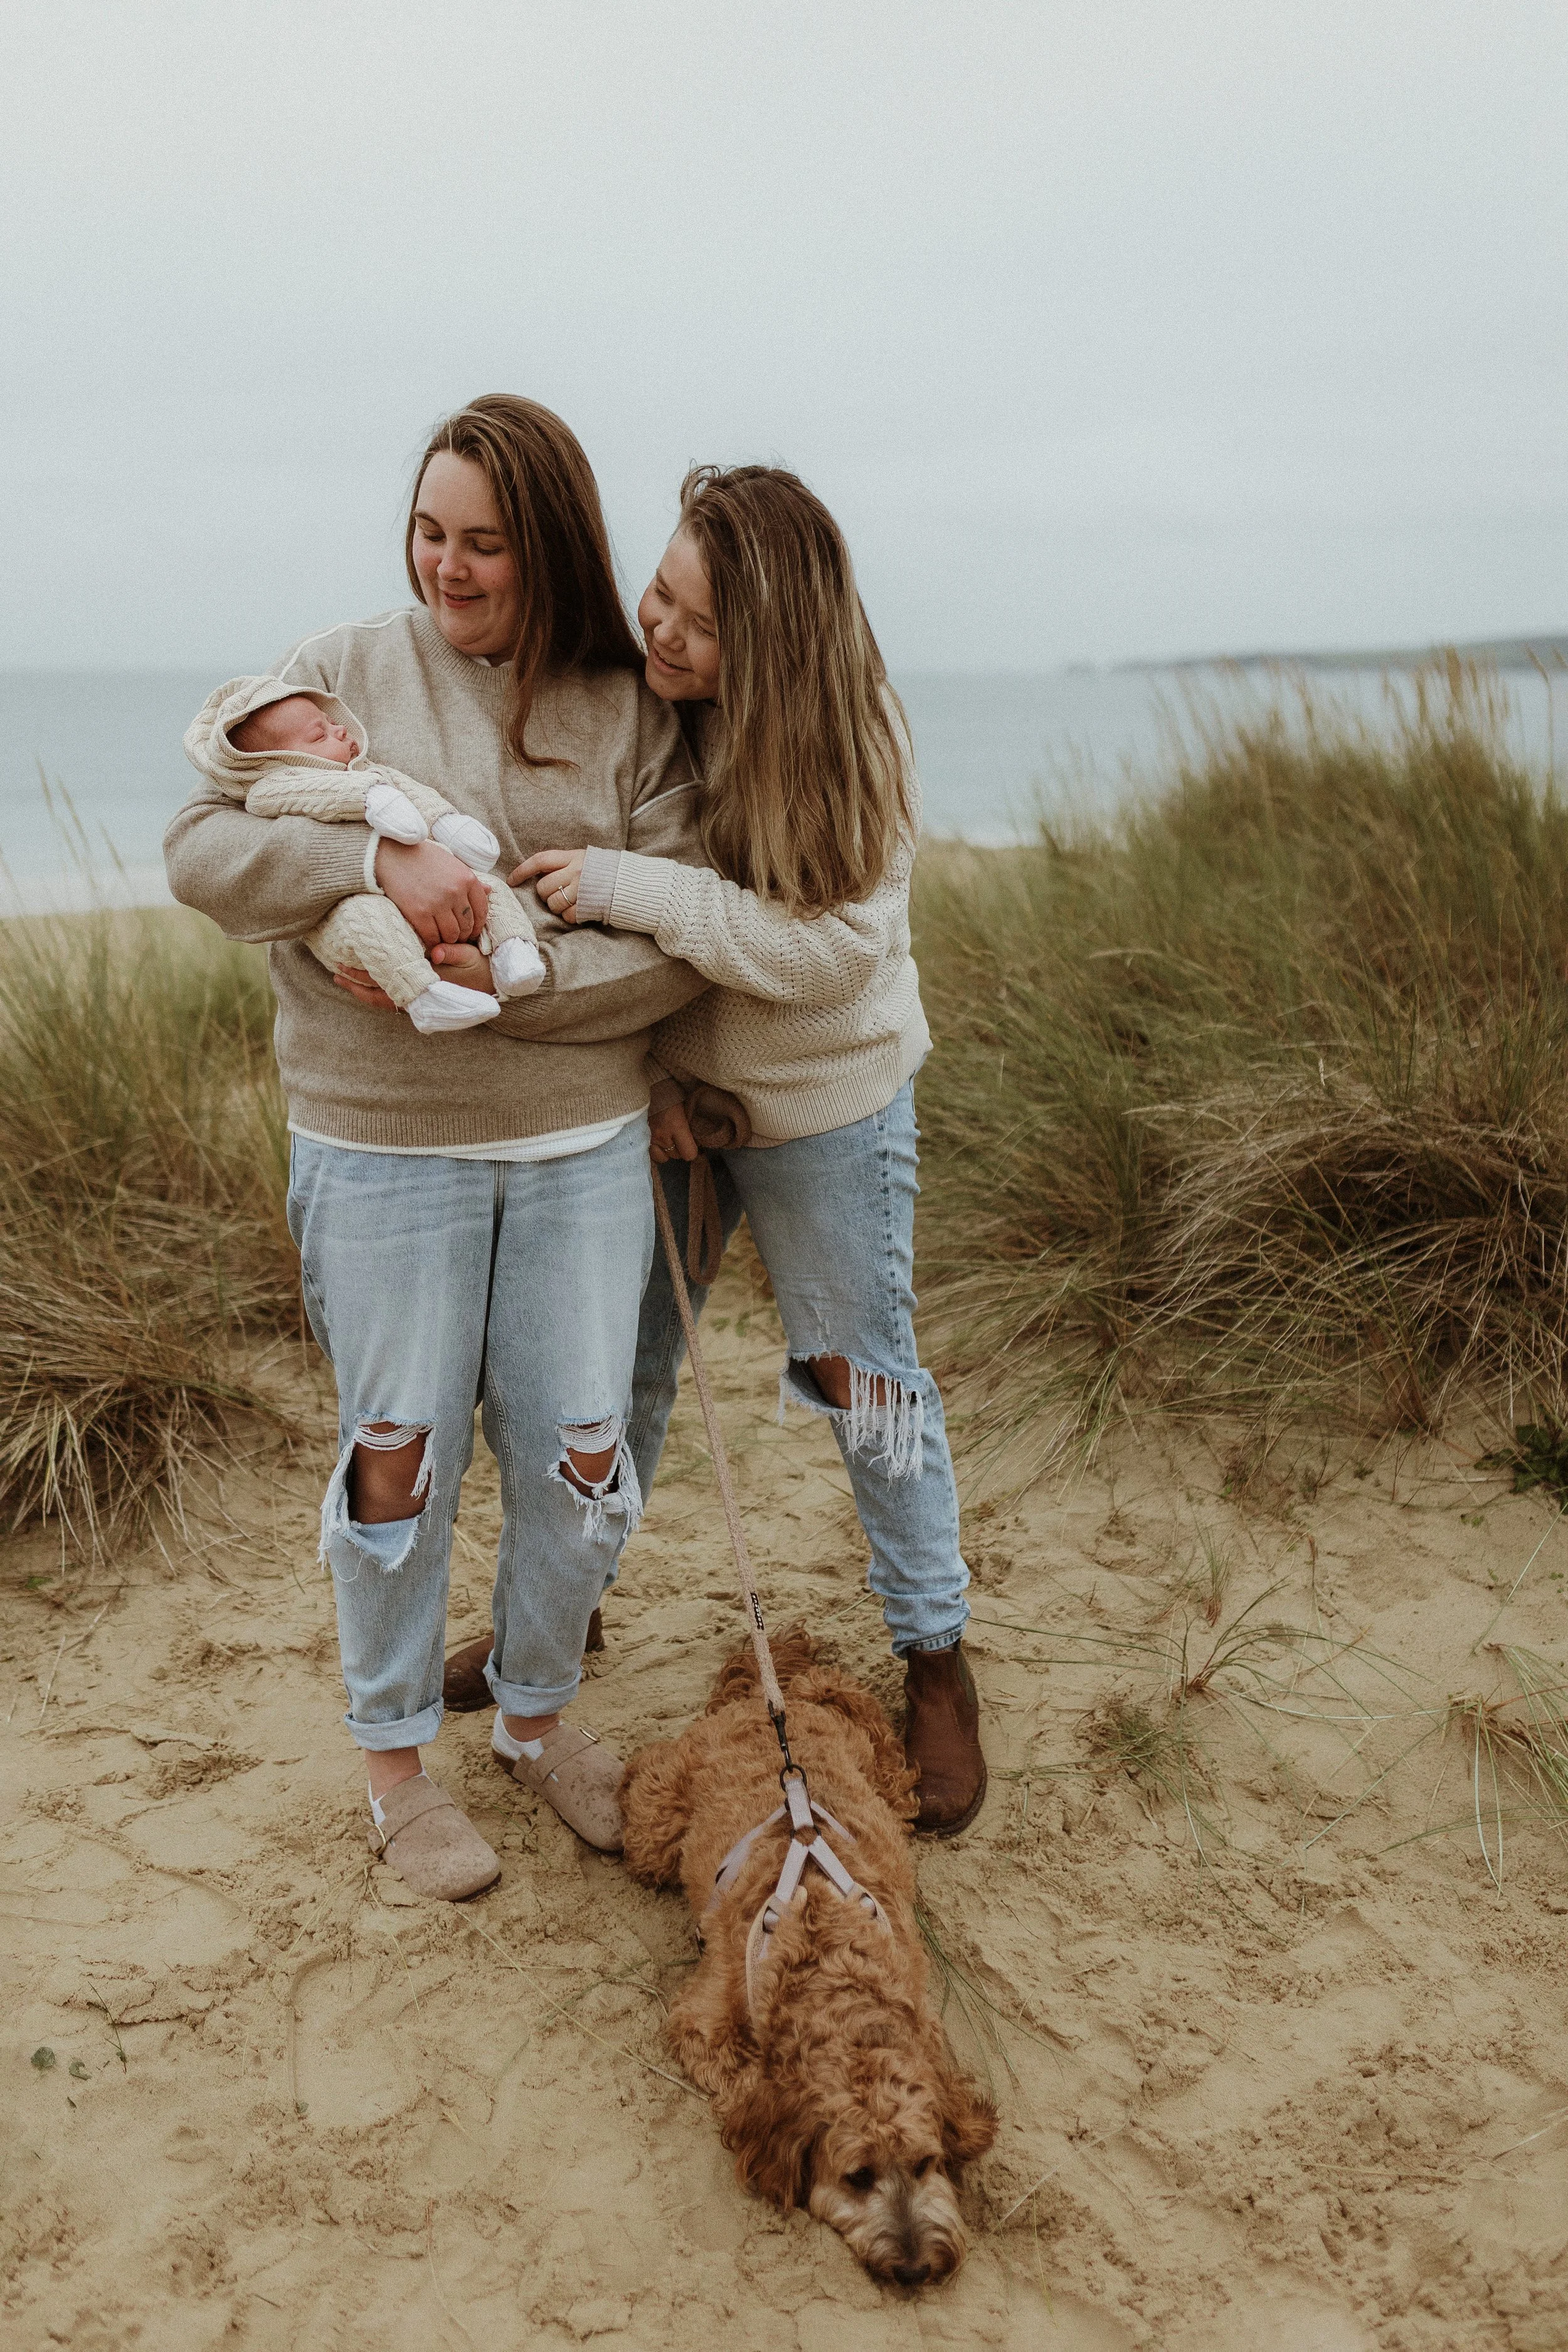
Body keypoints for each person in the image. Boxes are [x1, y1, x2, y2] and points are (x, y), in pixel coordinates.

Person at [163, 395, 708, 1899]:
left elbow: (672, 952)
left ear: (549, 550)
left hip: (580, 1149)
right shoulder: (338, 668)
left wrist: (472, 998)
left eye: (484, 544)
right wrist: (370, 864)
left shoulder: (625, 707)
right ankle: (398, 1764)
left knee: (580, 1457)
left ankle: (536, 1722)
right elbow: (202, 852)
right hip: (378, 1142)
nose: (447, 569)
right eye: (428, 531)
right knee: (394, 1452)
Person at [453, 463, 987, 1834]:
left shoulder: (854, 739)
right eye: (662, 592)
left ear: (775, 642)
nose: (658, 629)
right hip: (674, 1111)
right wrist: (650, 1074)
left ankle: (936, 1659)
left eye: (694, 621)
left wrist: (634, 885)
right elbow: (614, 948)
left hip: (828, 1110)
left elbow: (825, 954)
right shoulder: (647, 704)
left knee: (863, 1384)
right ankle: (554, 1631)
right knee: (605, 1384)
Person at [183, 677, 546, 1034]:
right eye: (318, 735)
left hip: (452, 894)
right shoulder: (275, 787)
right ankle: (424, 995)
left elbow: (417, 795)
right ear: (282, 759)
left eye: (332, 723)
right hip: (354, 902)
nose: (340, 731)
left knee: (488, 885)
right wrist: (376, 848)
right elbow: (196, 852)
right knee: (368, 921)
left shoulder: (372, 772)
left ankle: (513, 952)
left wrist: (448, 825)